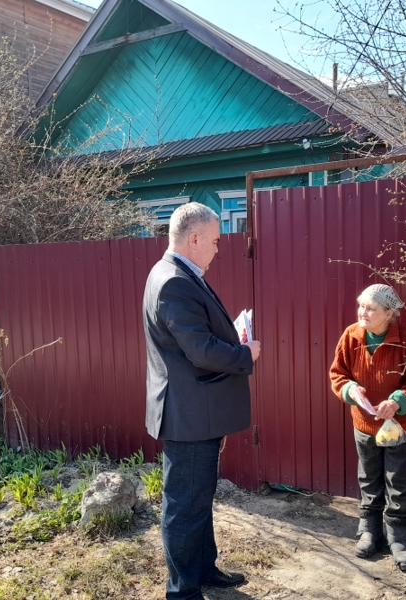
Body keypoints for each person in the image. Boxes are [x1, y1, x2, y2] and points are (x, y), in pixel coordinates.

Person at [143, 202, 261, 600]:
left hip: (196, 412)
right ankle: (182, 591)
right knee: (184, 508)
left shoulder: (180, 274)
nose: (217, 248)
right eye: (213, 241)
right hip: (188, 416)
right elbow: (201, 350)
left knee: (198, 499)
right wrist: (246, 354)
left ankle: (203, 570)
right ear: (192, 239)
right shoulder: (174, 280)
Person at [329, 283, 406, 571]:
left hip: (401, 425)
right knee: (369, 476)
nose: (363, 312)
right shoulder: (351, 336)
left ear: (389, 313)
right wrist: (350, 390)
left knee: (398, 480)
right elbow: (338, 374)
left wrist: (397, 401)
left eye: (371, 308)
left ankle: (399, 537)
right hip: (365, 422)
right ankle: (369, 530)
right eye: (361, 305)